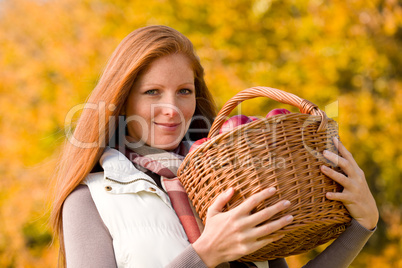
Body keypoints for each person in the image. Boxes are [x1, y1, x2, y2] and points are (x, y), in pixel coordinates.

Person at [51, 25, 378, 268]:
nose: (173, 108)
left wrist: (362, 226)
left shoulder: (229, 180)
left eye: (183, 91)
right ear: (122, 101)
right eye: (152, 92)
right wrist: (204, 255)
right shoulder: (90, 200)